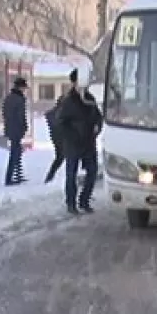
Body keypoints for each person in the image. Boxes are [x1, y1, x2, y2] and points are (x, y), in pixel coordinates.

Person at [56, 69, 102, 214]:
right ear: (74, 82)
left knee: (92, 172)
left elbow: (98, 117)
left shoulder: (90, 99)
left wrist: (97, 127)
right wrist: (72, 136)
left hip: (89, 143)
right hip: (73, 144)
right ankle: (71, 203)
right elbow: (60, 122)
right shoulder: (68, 101)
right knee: (71, 174)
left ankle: (84, 200)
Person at [2, 77, 29, 186]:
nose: (24, 90)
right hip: (17, 129)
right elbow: (20, 116)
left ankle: (17, 175)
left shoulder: (8, 98)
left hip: (10, 128)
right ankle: (9, 178)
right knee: (15, 153)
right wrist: (24, 126)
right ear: (20, 87)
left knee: (17, 152)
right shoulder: (19, 99)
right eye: (24, 87)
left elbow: (5, 113)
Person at [43, 93, 65, 184]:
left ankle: (50, 177)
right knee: (61, 158)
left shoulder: (53, 113)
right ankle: (50, 177)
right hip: (62, 140)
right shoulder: (60, 113)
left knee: (59, 159)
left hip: (57, 140)